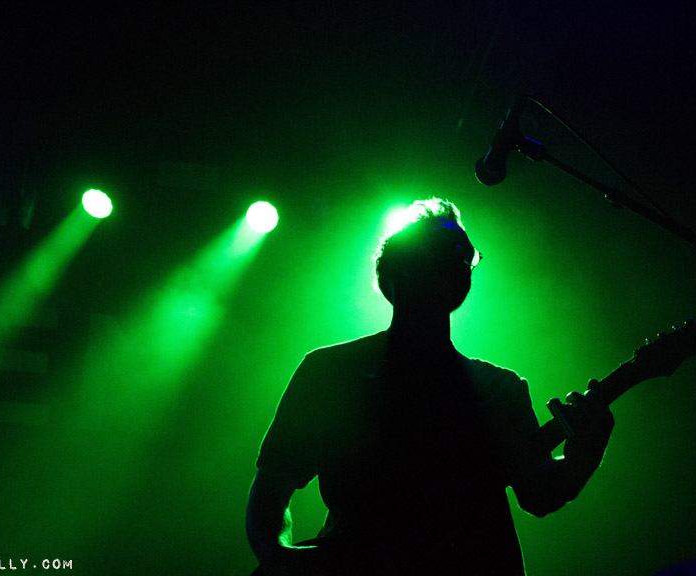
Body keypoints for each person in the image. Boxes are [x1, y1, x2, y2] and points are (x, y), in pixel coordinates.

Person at [246, 198, 614, 575]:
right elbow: (273, 482)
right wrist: (278, 556)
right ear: (391, 273)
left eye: (463, 254)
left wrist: (585, 455)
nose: (456, 263)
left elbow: (538, 493)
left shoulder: (500, 388)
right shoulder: (330, 371)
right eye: (438, 253)